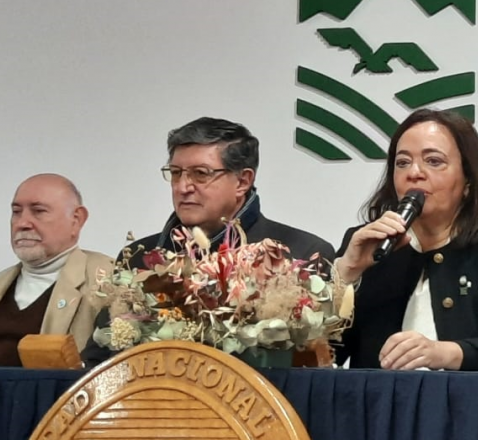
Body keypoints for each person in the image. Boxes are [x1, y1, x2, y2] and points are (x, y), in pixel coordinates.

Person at [80, 117, 334, 365]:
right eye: (176, 173)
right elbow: (98, 359)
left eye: (200, 174)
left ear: (243, 181)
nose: (182, 187)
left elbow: (310, 364)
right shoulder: (137, 257)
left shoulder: (299, 253)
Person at [333, 109, 478, 371]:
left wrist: (446, 353)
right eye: (402, 163)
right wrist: (345, 274)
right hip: (377, 407)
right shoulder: (372, 244)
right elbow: (317, 357)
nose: (414, 173)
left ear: (468, 179)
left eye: (434, 161)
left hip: (474, 407)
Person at [0, 174, 113, 365]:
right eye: (16, 212)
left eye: (38, 211)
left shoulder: (109, 282)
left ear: (76, 219)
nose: (22, 223)